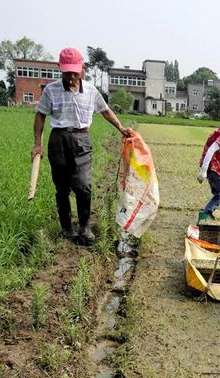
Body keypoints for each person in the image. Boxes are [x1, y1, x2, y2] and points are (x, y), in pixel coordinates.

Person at [31, 47, 130, 245]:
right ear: (61, 69)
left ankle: (84, 227)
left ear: (82, 69)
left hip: (82, 140)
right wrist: (37, 145)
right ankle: (67, 228)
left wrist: (121, 128)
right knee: (62, 188)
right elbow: (40, 115)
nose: (71, 76)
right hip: (58, 140)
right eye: (67, 72)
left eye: (75, 71)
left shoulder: (91, 91)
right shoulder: (51, 90)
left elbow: (105, 111)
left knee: (84, 185)